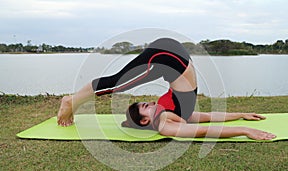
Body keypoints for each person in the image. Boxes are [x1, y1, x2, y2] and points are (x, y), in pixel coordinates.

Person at [57, 38, 276, 140]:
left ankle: (72, 101)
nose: (151, 102)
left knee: (118, 83)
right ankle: (70, 101)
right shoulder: (168, 123)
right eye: (145, 106)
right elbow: (207, 123)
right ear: (145, 121)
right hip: (171, 58)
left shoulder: (166, 119)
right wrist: (243, 123)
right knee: (116, 84)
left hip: (168, 57)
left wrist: (242, 120)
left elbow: (205, 124)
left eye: (147, 103)